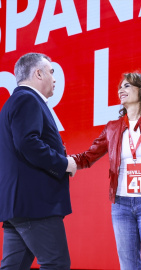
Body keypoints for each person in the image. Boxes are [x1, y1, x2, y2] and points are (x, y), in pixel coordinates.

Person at [71, 73, 141, 270]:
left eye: (127, 86)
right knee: (128, 266)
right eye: (120, 87)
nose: (121, 90)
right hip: (120, 205)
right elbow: (88, 157)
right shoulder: (113, 127)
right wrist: (62, 160)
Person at [0, 53, 77, 270]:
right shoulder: (27, 99)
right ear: (38, 73)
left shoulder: (13, 102)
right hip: (35, 204)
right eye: (51, 72)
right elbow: (28, 144)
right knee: (56, 264)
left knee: (13, 267)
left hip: (19, 205)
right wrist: (64, 164)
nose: (54, 78)